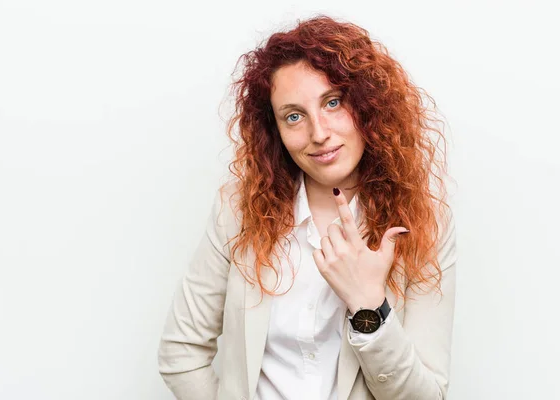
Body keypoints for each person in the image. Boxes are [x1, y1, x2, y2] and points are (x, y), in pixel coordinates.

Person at [158, 14, 457, 400]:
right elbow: (181, 352)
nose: (319, 134)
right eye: (294, 116)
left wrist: (368, 305)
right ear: (275, 131)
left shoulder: (425, 222)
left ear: (368, 106)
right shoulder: (237, 210)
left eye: (333, 103)